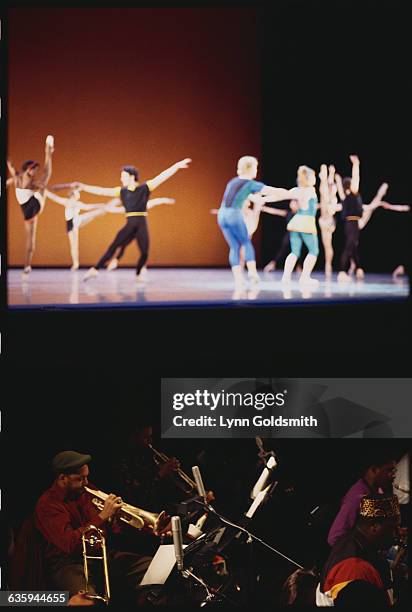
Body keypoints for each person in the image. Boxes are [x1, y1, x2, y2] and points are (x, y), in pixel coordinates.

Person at [35, 451, 168, 605]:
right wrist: (103, 516)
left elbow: (113, 529)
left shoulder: (85, 490)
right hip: (67, 563)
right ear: (62, 478)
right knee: (88, 602)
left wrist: (116, 517)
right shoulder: (48, 505)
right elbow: (70, 545)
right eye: (80, 478)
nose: (86, 482)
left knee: (157, 570)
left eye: (86, 477)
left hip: (101, 552)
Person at [76, 158, 191, 281]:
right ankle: (95, 270)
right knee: (113, 247)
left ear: (131, 177)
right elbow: (101, 191)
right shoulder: (121, 191)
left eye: (123, 176)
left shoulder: (145, 188)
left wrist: (176, 166)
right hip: (130, 225)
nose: (121, 179)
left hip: (141, 224)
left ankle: (138, 274)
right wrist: (84, 187)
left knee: (145, 253)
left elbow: (162, 177)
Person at [317, 495, 401, 606]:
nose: (398, 534)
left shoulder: (351, 541)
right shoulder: (355, 569)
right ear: (374, 526)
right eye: (393, 528)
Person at [217, 156, 268, 287]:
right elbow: (270, 191)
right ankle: (252, 272)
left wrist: (259, 201)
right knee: (246, 242)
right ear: (250, 168)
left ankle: (239, 279)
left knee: (234, 246)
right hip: (234, 214)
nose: (256, 170)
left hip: (222, 214)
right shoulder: (249, 183)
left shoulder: (233, 182)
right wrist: (290, 194)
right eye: (255, 167)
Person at [7, 135, 55, 276]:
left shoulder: (19, 177)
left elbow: (10, 164)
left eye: (36, 170)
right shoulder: (20, 178)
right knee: (31, 242)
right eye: (34, 169)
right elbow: (9, 164)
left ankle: (48, 151)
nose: (35, 172)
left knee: (46, 176)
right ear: (28, 169)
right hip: (29, 211)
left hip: (34, 205)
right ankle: (27, 266)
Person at [327, 453, 397, 547]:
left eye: (394, 470)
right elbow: (334, 537)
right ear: (374, 470)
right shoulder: (357, 497)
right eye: (389, 470)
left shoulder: (378, 491)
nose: (393, 475)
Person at [45, 187, 116, 270]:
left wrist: (46, 192)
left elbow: (55, 198)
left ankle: (75, 264)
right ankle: (75, 264)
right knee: (74, 245)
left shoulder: (73, 202)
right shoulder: (70, 202)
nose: (78, 194)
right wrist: (46, 192)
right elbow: (87, 207)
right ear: (73, 195)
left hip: (76, 221)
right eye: (77, 192)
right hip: (73, 222)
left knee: (92, 215)